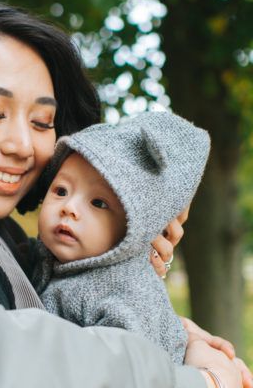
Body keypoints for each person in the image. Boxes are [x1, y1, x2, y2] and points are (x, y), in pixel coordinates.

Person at [0, 0, 248, 387]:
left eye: (43, 122)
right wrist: (195, 379)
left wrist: (149, 312)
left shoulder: (0, 237)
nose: (23, 146)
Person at [32, 111, 210, 365]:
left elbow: (125, 372)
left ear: (133, 226)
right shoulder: (45, 259)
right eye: (61, 191)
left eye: (98, 203)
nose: (69, 207)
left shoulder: (125, 293)